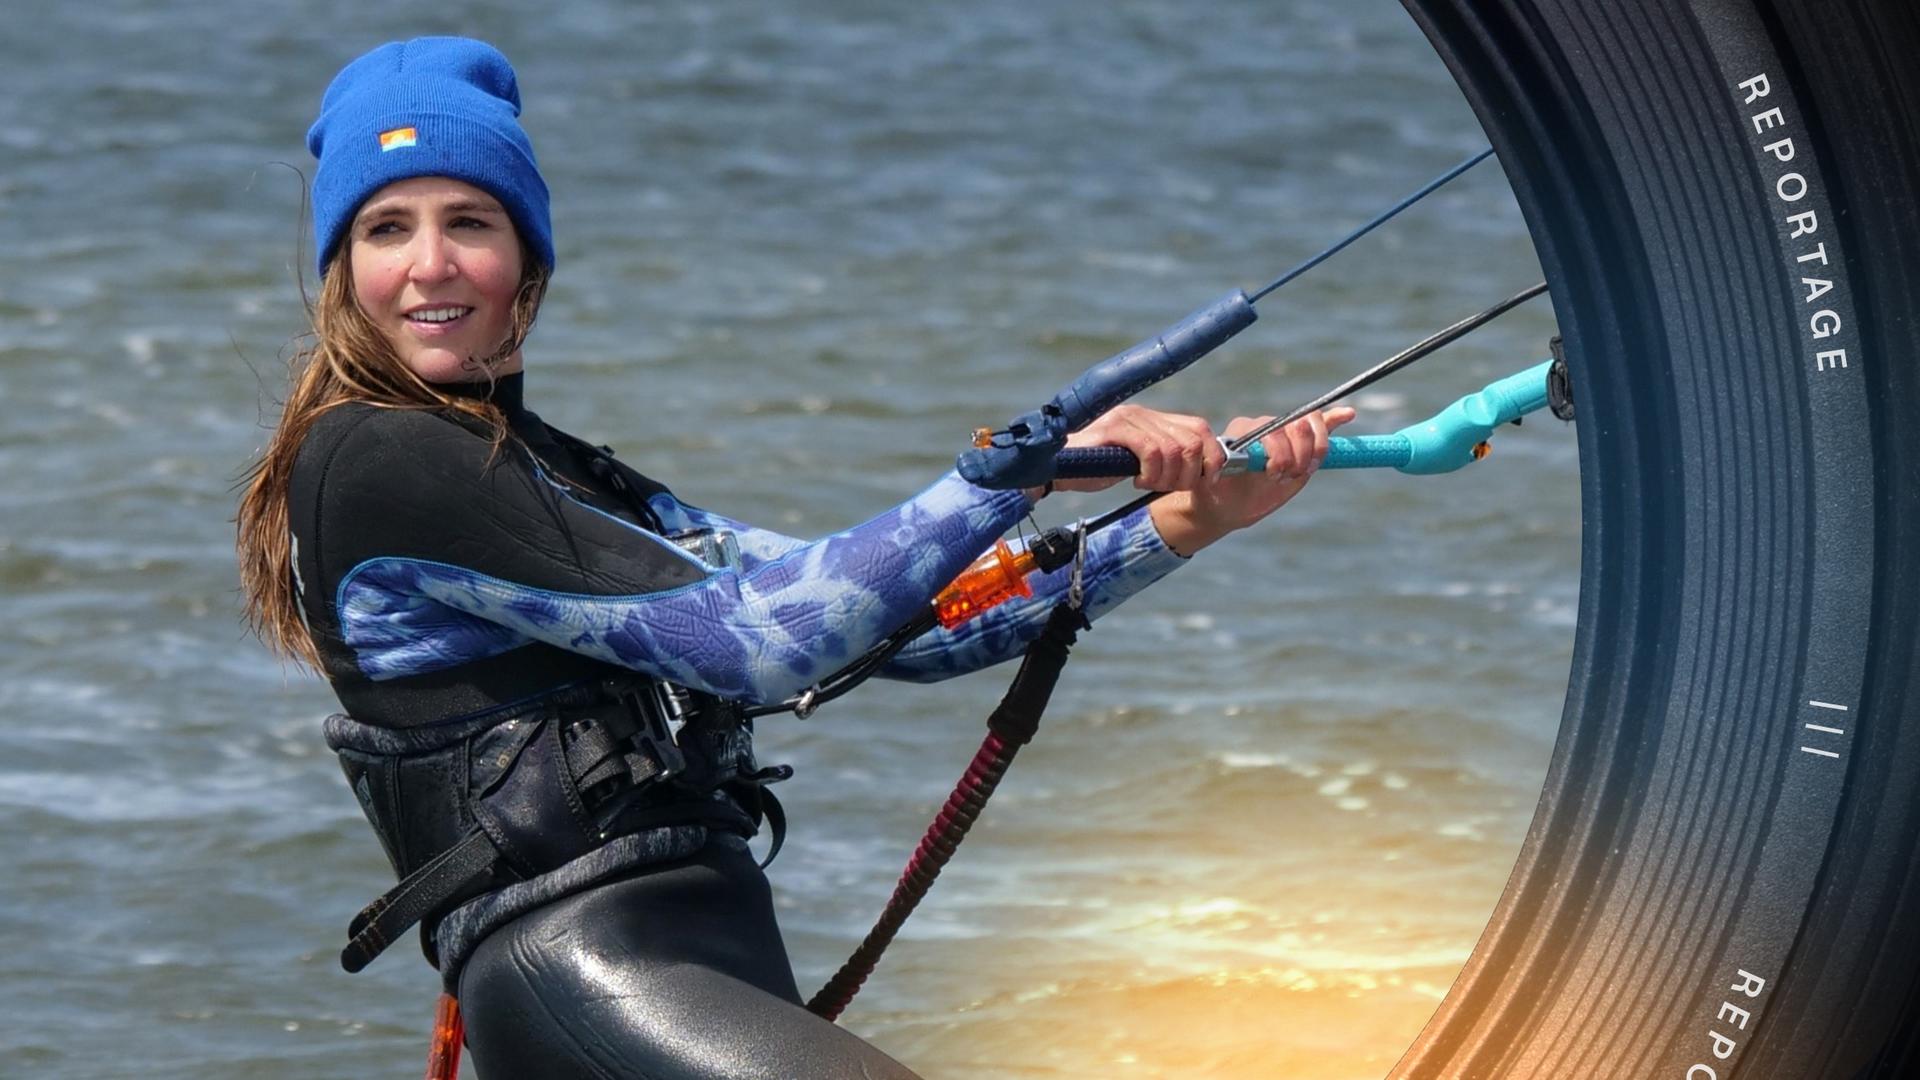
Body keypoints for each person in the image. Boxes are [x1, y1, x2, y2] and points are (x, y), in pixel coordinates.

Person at [235, 36, 1354, 1079]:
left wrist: (1182, 523)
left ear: (526, 253)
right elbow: (760, 645)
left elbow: (901, 630)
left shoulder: (549, 467)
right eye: (387, 229)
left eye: (471, 221)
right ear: (343, 267)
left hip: (699, 952)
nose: (431, 264)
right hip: (586, 967)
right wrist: (1012, 470)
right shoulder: (382, 459)